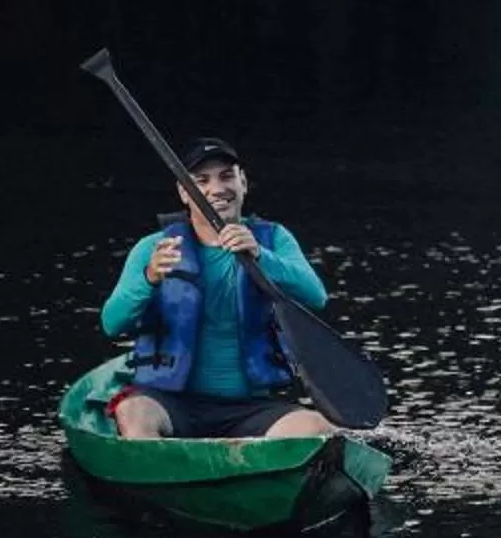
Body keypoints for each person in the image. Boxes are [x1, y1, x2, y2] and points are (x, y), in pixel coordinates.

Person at [97, 138, 337, 441]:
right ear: (184, 193)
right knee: (133, 414)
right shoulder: (153, 248)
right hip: (171, 402)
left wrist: (262, 256)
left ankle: (249, 472)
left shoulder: (273, 239)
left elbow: (316, 297)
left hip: (250, 407)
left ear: (243, 182)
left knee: (314, 427)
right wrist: (150, 278)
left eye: (227, 176)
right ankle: (165, 477)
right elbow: (111, 323)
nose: (216, 189)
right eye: (201, 181)